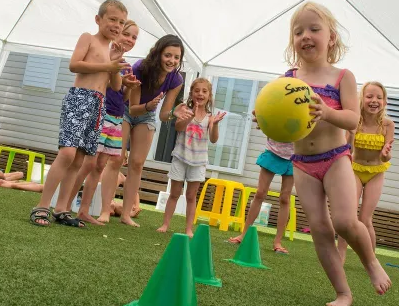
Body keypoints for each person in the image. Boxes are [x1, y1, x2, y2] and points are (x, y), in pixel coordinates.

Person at [280, 1, 391, 306]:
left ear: (331, 37)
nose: (306, 35)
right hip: (303, 164)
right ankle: (343, 293)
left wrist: (327, 112)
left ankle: (370, 262)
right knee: (320, 228)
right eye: (298, 31)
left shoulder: (342, 76)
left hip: (337, 159)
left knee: (344, 221)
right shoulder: (288, 78)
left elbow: (353, 120)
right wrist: (267, 120)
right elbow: (280, 122)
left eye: (314, 29)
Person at [29, 0, 130, 227]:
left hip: (98, 105)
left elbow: (115, 85)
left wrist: (115, 65)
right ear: (99, 19)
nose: (116, 25)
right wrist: (108, 66)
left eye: (121, 22)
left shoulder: (110, 51)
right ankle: (42, 206)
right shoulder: (89, 38)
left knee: (80, 158)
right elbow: (74, 65)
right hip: (79, 99)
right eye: (112, 19)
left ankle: (62, 208)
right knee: (67, 153)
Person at [65, 20, 141, 225]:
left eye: (134, 37)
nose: (130, 40)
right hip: (101, 113)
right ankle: (65, 206)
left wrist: (130, 87)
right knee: (87, 163)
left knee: (99, 166)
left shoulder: (124, 66)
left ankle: (83, 210)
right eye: (127, 34)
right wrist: (113, 70)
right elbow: (99, 83)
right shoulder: (105, 56)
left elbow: (122, 97)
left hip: (116, 119)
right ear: (116, 33)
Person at [120, 34, 193, 227]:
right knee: (117, 158)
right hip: (126, 110)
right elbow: (133, 106)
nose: (172, 61)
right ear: (159, 53)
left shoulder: (176, 79)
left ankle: (125, 214)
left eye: (176, 57)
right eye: (168, 55)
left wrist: (174, 114)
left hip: (148, 115)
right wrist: (148, 106)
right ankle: (103, 210)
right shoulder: (140, 68)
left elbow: (163, 115)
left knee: (136, 164)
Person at [157, 78, 226, 237]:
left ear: (209, 95)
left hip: (198, 162)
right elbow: (178, 127)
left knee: (190, 196)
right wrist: (189, 116)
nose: (200, 94)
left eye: (204, 91)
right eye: (197, 91)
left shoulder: (210, 117)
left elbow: (214, 139)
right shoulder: (185, 111)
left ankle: (188, 229)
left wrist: (215, 125)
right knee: (174, 193)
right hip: (180, 157)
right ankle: (165, 224)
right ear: (191, 94)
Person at [337, 81, 394, 262]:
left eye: (379, 97)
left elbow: (386, 158)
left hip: (376, 172)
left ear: (384, 102)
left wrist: (385, 153)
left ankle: (371, 259)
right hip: (354, 169)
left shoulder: (387, 125)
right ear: (362, 99)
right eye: (369, 96)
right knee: (349, 216)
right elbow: (347, 149)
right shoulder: (355, 121)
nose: (374, 100)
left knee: (365, 218)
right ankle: (341, 254)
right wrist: (352, 134)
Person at [228, 137, 294, 254]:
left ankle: (277, 242)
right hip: (273, 151)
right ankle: (244, 235)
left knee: (285, 198)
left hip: (294, 157)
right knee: (260, 193)